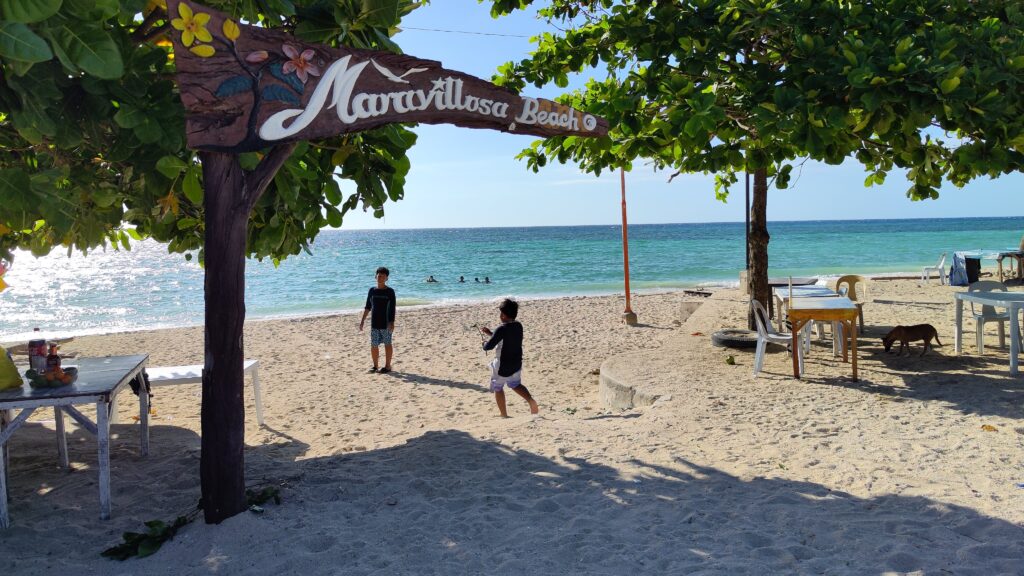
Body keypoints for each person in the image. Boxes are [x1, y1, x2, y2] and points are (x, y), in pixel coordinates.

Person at [480, 298, 538, 417]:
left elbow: (489, 347)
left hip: (502, 365)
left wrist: (484, 345)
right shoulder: (518, 326)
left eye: (501, 313)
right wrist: (491, 333)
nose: (500, 315)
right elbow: (505, 338)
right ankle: (531, 402)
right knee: (515, 384)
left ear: (504, 315)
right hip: (516, 363)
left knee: (498, 387)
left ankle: (504, 414)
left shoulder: (501, 328)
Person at [359, 266, 396, 374]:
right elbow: (367, 307)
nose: (380, 278)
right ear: (375, 276)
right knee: (374, 345)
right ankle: (375, 366)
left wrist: (392, 322)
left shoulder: (390, 291)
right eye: (379, 276)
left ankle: (388, 366)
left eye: (383, 276)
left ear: (387, 278)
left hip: (386, 323)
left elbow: (392, 308)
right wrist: (362, 321)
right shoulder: (372, 290)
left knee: (387, 343)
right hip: (374, 323)